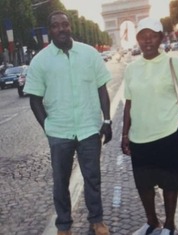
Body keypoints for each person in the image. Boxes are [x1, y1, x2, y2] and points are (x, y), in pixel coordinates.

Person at [23, 10, 112, 235]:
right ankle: (64, 225)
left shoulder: (90, 54)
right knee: (60, 182)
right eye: (56, 26)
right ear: (50, 30)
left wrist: (108, 120)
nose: (61, 29)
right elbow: (34, 100)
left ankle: (97, 221)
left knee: (93, 178)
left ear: (70, 26)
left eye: (65, 24)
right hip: (59, 132)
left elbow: (102, 89)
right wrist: (48, 127)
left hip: (89, 128)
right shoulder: (39, 61)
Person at [121, 17, 178, 235]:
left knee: (169, 183)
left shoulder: (174, 63)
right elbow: (128, 104)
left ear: (161, 38)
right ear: (137, 39)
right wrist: (124, 134)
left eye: (153, 36)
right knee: (144, 185)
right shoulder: (131, 69)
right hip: (139, 136)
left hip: (168, 133)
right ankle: (152, 221)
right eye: (143, 36)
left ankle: (169, 225)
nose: (148, 41)